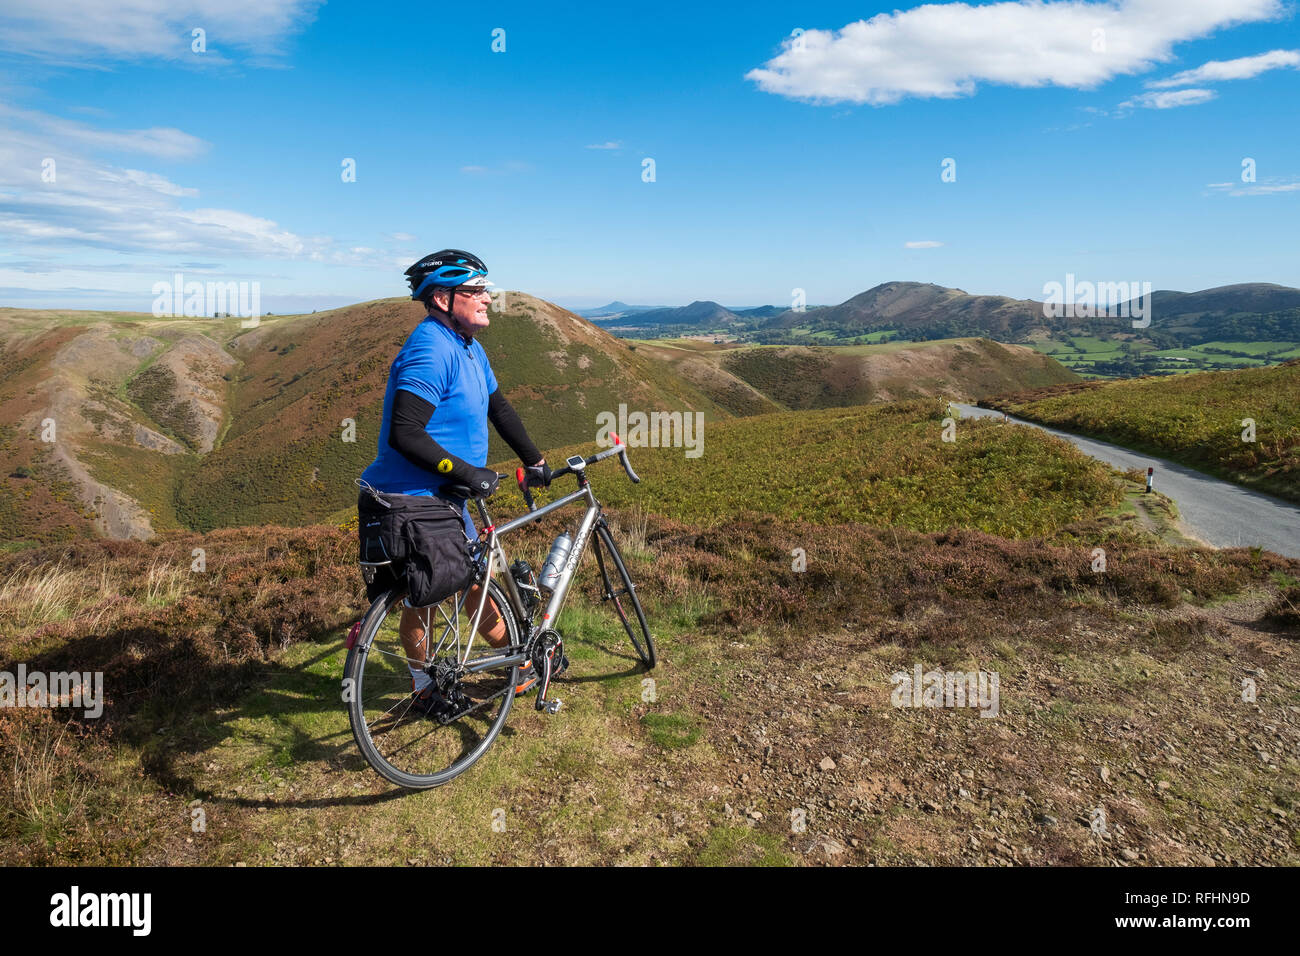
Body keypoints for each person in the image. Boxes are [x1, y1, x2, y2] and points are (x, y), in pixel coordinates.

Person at [359, 249, 552, 713]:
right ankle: (434, 686)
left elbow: (497, 407)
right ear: (443, 299)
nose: (487, 298)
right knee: (435, 593)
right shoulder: (430, 348)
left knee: (459, 586)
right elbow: (405, 433)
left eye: (485, 289)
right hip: (413, 501)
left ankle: (514, 670)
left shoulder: (467, 345)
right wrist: (470, 474)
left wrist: (536, 459)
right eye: (475, 291)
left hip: (443, 499)